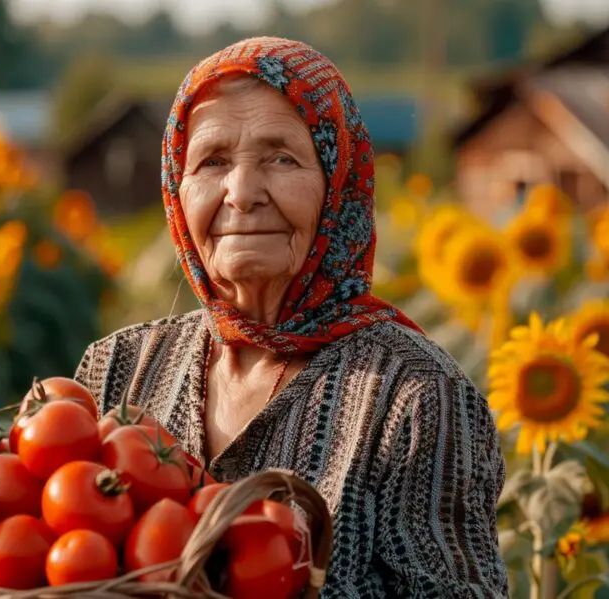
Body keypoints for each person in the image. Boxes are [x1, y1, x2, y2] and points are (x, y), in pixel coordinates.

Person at [74, 37, 509, 597]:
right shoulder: (116, 370)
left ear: (339, 181)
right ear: (176, 190)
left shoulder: (417, 397)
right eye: (212, 161)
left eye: (281, 156)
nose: (243, 192)